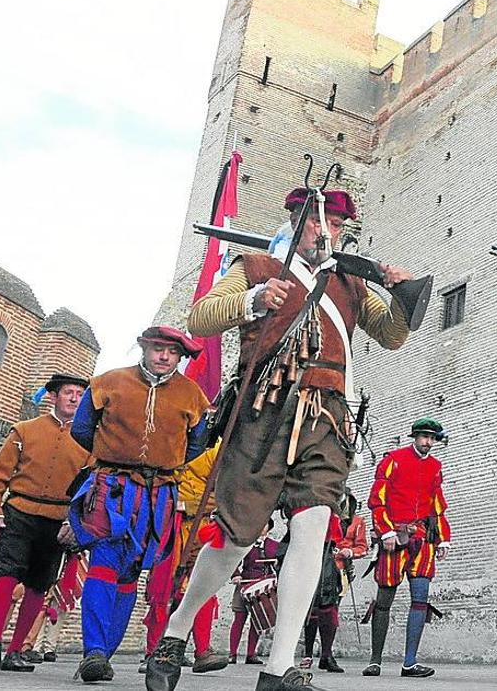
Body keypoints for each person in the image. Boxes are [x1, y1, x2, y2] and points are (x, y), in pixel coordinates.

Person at [146, 186, 412, 691]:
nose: (325, 231)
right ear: (294, 219)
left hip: (327, 420)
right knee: (235, 537)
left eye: (335, 225)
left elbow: (392, 335)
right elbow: (201, 317)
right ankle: (176, 630)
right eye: (316, 221)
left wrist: (401, 293)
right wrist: (253, 300)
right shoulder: (257, 267)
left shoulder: (350, 283)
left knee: (313, 530)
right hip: (263, 415)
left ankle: (279, 665)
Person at [68, 327, 211, 682]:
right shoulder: (107, 383)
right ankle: (93, 651)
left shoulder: (192, 396)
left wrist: (165, 461)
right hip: (112, 487)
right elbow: (82, 430)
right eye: (157, 348)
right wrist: (114, 455)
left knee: (131, 570)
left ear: (180, 357)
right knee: (103, 562)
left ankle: (105, 653)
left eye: (172, 352)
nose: (164, 356)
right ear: (144, 349)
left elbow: (197, 444)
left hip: (158, 494)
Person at [0, 373, 92, 672]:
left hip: (57, 521)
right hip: (19, 512)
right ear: (53, 396)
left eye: (80, 394)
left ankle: (16, 650)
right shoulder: (24, 430)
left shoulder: (91, 444)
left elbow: (90, 489)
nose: (74, 398)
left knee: (39, 585)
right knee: (6, 572)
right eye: (68, 392)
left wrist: (77, 524)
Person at [362, 417, 451, 679]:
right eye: (424, 437)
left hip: (423, 540)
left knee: (420, 599)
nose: (428, 442)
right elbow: (377, 500)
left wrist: (444, 538)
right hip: (395, 536)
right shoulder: (393, 460)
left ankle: (410, 663)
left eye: (432, 438)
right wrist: (386, 531)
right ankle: (375, 661)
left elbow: (438, 505)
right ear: (415, 436)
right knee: (384, 600)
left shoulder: (435, 466)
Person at [141, 443, 229, 674]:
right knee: (163, 589)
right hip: (170, 528)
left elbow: (227, 492)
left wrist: (194, 504)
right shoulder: (171, 443)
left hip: (202, 527)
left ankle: (202, 651)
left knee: (203, 588)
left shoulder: (218, 451)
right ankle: (154, 651)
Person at [302, 490, 368, 671]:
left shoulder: (357, 522)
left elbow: (363, 547)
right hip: (317, 566)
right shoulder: (322, 516)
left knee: (330, 611)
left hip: (339, 570)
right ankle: (308, 654)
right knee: (311, 610)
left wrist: (350, 552)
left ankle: (326, 654)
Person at [229, 519, 279, 664]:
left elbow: (281, 564)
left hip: (263, 587)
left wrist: (277, 564)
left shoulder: (274, 545)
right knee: (239, 619)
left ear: (269, 527)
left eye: (265, 524)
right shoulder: (246, 543)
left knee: (257, 622)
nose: (262, 526)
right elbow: (234, 560)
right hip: (245, 584)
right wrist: (236, 575)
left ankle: (251, 654)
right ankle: (232, 653)